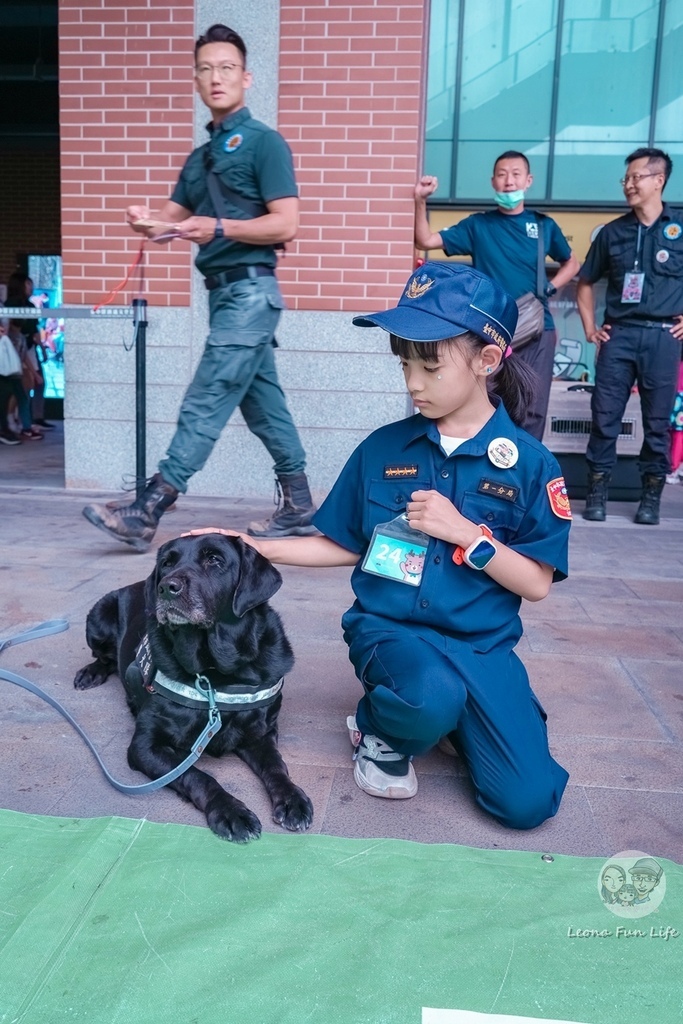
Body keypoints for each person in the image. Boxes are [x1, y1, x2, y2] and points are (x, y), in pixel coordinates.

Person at [188, 262, 572, 830]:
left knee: (526, 804)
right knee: (426, 698)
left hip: (483, 649)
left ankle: (454, 720)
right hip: (393, 633)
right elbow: (343, 544)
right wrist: (248, 546)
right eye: (405, 363)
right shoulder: (383, 448)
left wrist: (470, 535)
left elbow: (537, 583)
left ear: (487, 361)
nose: (413, 382)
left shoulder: (531, 466)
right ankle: (380, 729)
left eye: (430, 365)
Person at [82, 23, 315, 552]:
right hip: (227, 297)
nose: (216, 77)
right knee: (264, 407)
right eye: (206, 68)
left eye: (227, 68)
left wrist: (215, 228)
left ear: (246, 77)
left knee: (206, 397)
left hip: (251, 294)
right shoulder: (200, 158)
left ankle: (148, 508)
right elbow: (168, 223)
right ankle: (300, 504)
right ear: (195, 78)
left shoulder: (264, 143)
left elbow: (285, 224)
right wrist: (144, 221)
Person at [414, 152, 580, 441]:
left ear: (528, 181)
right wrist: (420, 200)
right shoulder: (478, 225)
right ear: (493, 181)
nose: (508, 181)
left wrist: (549, 288)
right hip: (488, 330)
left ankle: (524, 473)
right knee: (482, 400)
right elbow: (425, 240)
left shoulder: (543, 226)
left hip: (537, 331)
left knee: (532, 407)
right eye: (502, 174)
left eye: (516, 174)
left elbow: (572, 263)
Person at [577, 148, 683, 525]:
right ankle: (597, 493)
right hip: (618, 337)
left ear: (659, 180)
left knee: (657, 422)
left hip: (663, 337)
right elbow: (585, 283)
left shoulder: (681, 226)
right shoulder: (612, 232)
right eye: (626, 178)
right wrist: (591, 329)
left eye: (637, 177)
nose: (629, 185)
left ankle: (650, 498)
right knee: (605, 417)